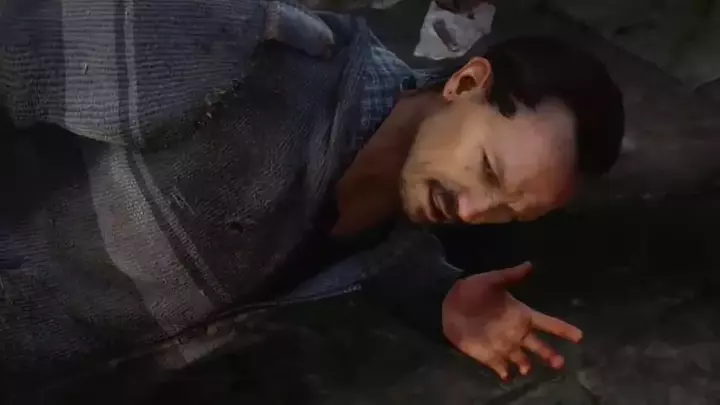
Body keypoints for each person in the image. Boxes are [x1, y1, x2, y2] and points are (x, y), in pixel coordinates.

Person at [0, 0, 624, 400]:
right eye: (487, 170)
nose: (471, 213)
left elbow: (354, 241)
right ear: (466, 82)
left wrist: (439, 298)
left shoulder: (399, 207)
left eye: (510, 211)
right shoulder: (243, 55)